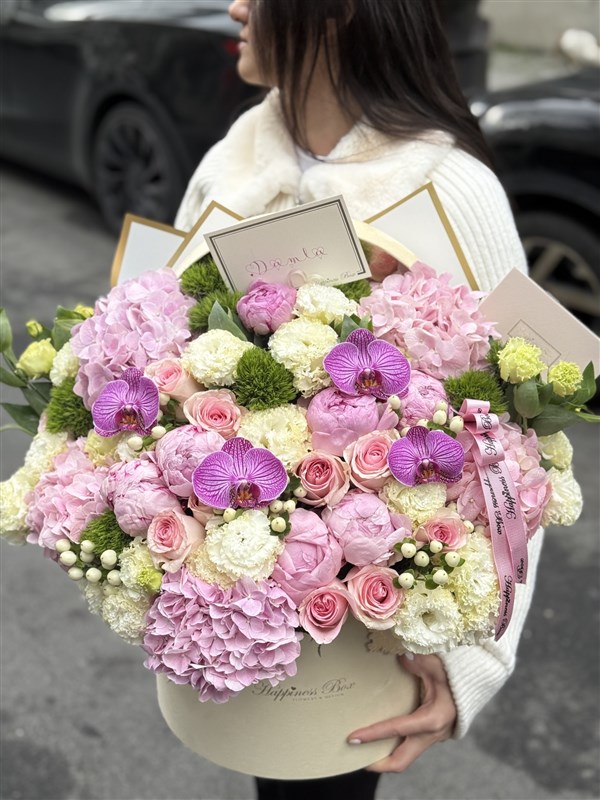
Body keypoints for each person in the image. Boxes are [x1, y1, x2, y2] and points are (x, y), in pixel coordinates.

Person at [174, 1, 544, 798]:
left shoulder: (453, 190)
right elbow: (153, 369)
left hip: (363, 654)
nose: (234, 5)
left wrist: (474, 658)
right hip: (233, 629)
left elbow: (528, 435)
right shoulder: (226, 170)